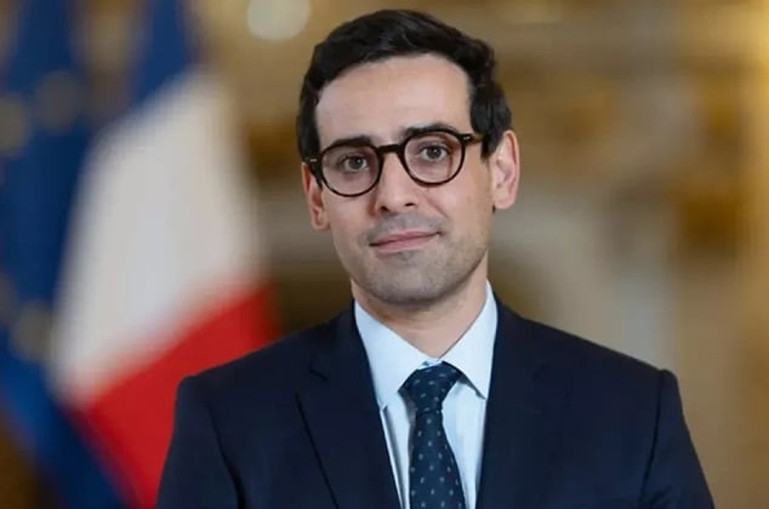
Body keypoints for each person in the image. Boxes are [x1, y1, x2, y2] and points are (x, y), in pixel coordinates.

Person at [158, 9, 713, 509]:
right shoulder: (229, 421)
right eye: (354, 162)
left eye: (431, 151)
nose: (393, 195)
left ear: (502, 172)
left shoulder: (634, 412)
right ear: (316, 197)